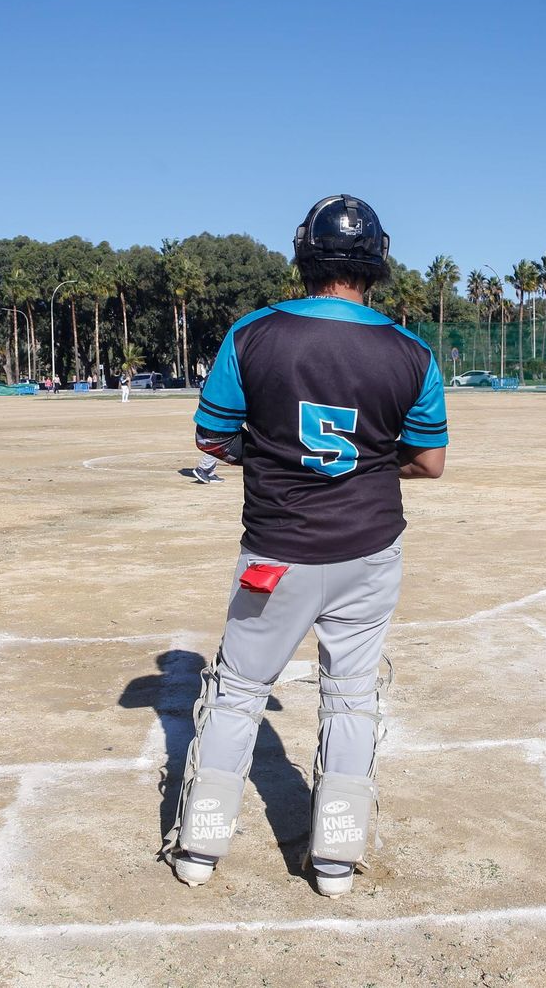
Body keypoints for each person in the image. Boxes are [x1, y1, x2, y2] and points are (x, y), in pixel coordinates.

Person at [167, 194, 447, 899]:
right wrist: (370, 462)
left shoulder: (253, 333)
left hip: (275, 553)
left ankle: (199, 848)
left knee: (237, 694)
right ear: (377, 261)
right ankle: (335, 862)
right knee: (350, 698)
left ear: (304, 255)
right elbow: (429, 462)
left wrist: (269, 455)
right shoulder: (412, 352)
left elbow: (210, 438)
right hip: (368, 552)